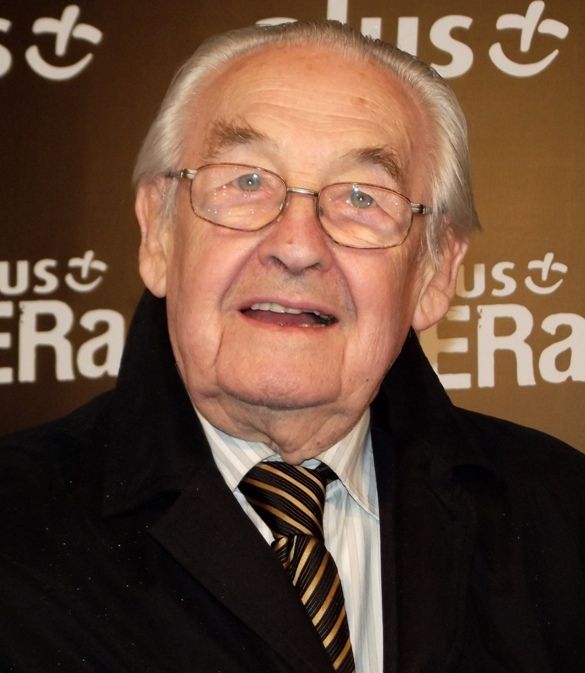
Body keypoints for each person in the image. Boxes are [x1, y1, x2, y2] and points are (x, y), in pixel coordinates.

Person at [1, 19, 584, 673]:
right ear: (157, 232)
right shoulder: (16, 530)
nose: (298, 246)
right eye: (246, 181)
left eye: (362, 197)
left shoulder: (559, 519)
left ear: (435, 272)